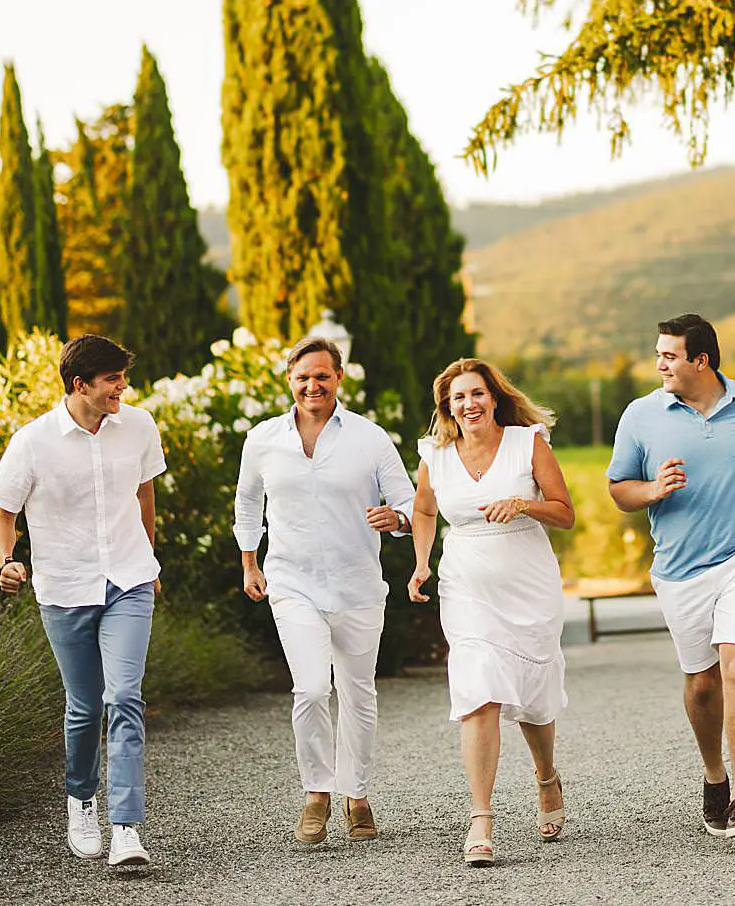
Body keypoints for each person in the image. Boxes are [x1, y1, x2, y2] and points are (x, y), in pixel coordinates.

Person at [605, 313, 735, 839]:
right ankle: (714, 776)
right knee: (702, 683)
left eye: (669, 356)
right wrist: (652, 490)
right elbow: (619, 489)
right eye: (658, 354)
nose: (659, 364)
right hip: (680, 568)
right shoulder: (641, 415)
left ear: (702, 360)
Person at [0, 334, 165, 869]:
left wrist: (150, 561)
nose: (123, 388)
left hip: (129, 579)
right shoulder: (32, 442)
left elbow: (144, 494)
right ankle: (81, 799)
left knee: (125, 697)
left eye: (122, 378)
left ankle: (127, 828)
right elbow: (3, 517)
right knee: (85, 707)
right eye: (112, 380)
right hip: (65, 587)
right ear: (79, 384)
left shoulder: (138, 425)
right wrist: (7, 562)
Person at [233, 335, 416, 846]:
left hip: (358, 584)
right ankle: (318, 791)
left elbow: (410, 502)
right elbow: (248, 503)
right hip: (292, 581)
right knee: (312, 687)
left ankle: (357, 797)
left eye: (322, 375)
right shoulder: (264, 439)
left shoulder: (369, 438)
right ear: (289, 381)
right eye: (303, 377)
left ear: (339, 377)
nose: (312, 385)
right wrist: (250, 563)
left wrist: (396, 518)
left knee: (358, 692)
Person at [406, 358, 576, 867]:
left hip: (529, 583)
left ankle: (546, 775)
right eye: (458, 397)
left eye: (477, 393)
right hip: (466, 586)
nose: (469, 404)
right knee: (479, 689)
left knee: (534, 700)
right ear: (447, 407)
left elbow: (565, 512)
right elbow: (423, 510)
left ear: (494, 397)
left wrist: (523, 505)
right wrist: (420, 564)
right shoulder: (434, 456)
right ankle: (481, 819)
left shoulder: (529, 444)